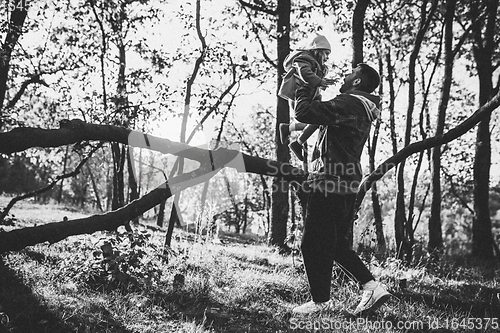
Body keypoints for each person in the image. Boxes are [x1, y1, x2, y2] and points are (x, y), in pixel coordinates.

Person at [291, 63, 391, 316]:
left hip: (330, 183)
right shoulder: (360, 108)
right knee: (334, 245)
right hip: (345, 184)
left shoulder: (349, 103)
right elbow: (317, 120)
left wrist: (305, 83)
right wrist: (297, 136)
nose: (345, 75)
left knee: (311, 245)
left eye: (351, 72)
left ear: (357, 81)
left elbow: (303, 111)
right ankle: (370, 286)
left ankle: (321, 302)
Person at [277, 34, 336, 161]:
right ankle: (294, 139)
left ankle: (292, 135)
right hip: (302, 93)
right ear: (317, 50)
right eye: (325, 53)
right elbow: (304, 72)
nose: (327, 58)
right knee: (318, 120)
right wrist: (319, 81)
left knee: (319, 122)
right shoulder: (305, 59)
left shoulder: (317, 64)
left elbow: (313, 76)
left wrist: (324, 81)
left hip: (312, 95)